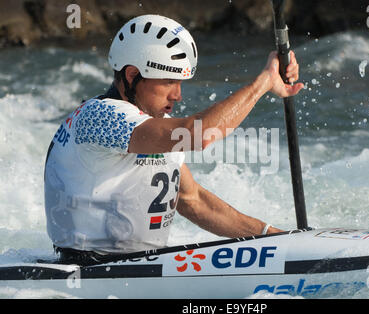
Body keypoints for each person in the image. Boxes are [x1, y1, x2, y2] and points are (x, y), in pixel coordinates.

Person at [44, 14, 303, 265]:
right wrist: (264, 82)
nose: (177, 95)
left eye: (180, 83)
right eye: (168, 82)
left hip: (136, 265)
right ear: (132, 75)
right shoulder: (99, 116)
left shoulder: (152, 127)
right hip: (92, 269)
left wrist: (274, 237)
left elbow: (195, 202)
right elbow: (198, 135)